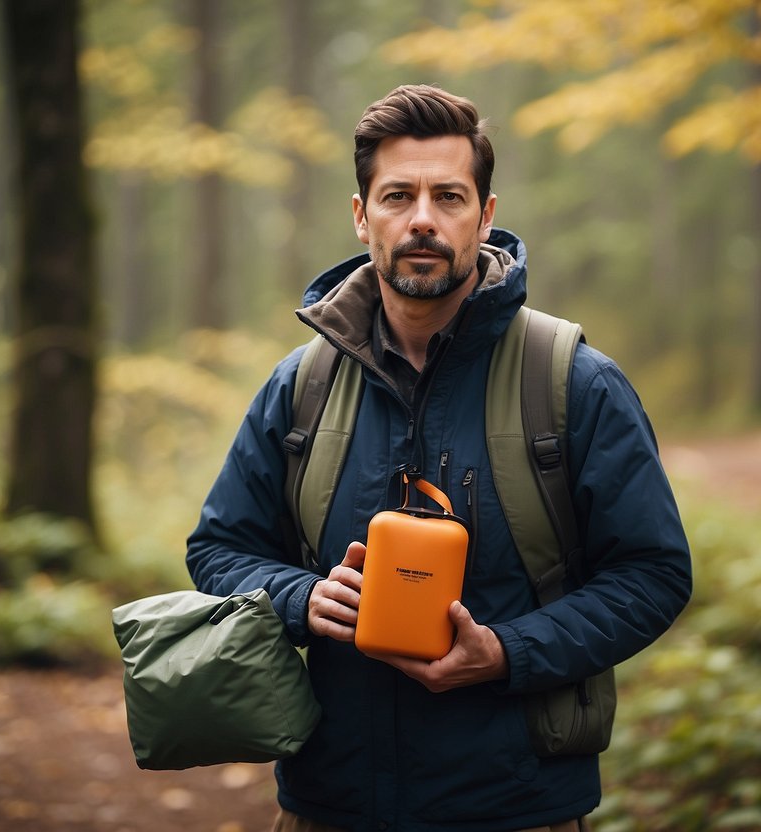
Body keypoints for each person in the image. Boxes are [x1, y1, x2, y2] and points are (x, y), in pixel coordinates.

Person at [185, 84, 692, 831]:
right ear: (361, 216)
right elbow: (219, 547)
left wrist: (507, 652)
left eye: (447, 196)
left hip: (515, 807)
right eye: (397, 196)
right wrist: (299, 599)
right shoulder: (301, 385)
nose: (422, 219)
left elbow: (653, 574)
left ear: (484, 215)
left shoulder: (572, 381)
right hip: (330, 804)